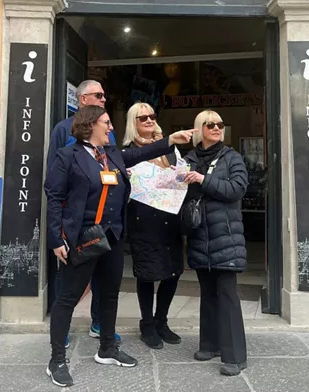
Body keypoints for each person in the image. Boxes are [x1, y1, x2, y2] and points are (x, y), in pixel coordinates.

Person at [44, 106, 195, 387]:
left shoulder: (111, 154)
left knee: (110, 294)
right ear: (90, 125)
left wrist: (170, 140)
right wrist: (56, 239)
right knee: (66, 299)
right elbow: (54, 198)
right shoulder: (68, 156)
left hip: (112, 236)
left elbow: (139, 154)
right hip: (82, 238)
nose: (111, 127)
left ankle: (107, 348)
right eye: (106, 123)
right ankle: (57, 360)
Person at [46, 79, 119, 347]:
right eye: (98, 95)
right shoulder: (63, 130)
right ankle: (61, 329)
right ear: (83, 99)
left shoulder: (106, 130)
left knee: (104, 276)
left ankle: (99, 323)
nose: (103, 99)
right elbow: (53, 179)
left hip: (105, 221)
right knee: (67, 280)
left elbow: (114, 162)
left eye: (104, 95)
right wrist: (60, 227)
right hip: (74, 222)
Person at [181, 109, 249, 376]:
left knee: (228, 295)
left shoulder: (232, 157)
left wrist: (203, 180)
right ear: (200, 129)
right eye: (210, 124)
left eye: (220, 124)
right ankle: (209, 344)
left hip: (226, 236)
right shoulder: (188, 159)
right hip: (200, 236)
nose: (217, 128)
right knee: (207, 292)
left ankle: (235, 356)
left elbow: (237, 189)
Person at [121, 102, 184, 349]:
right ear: (133, 123)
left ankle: (162, 321)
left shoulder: (171, 148)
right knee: (147, 273)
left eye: (151, 116)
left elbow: (179, 174)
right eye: (142, 117)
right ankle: (147, 323)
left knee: (172, 271)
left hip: (171, 218)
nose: (148, 120)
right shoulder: (126, 151)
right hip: (143, 219)